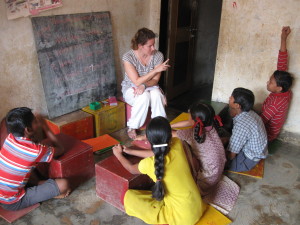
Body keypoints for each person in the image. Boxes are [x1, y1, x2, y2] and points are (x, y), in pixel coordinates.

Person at [112, 116, 206, 225]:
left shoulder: (148, 164)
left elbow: (131, 169)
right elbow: (160, 152)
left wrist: (118, 155)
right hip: (197, 206)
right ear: (169, 134)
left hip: (182, 219)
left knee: (127, 196)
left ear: (149, 140)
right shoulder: (178, 144)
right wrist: (129, 151)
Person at [171, 103, 239, 214]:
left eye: (189, 115)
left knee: (181, 148)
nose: (188, 116)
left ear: (194, 120)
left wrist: (166, 126)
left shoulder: (191, 133)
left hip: (204, 183)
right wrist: (171, 125)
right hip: (215, 175)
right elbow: (189, 122)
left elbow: (170, 134)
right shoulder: (211, 128)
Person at [0, 107, 71, 211]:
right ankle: (48, 193)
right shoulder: (35, 151)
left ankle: (38, 187)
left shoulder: (10, 138)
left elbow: (33, 145)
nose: (38, 123)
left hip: (4, 192)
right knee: (64, 185)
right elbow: (61, 149)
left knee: (29, 166)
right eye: (35, 122)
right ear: (28, 129)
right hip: (13, 202)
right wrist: (45, 126)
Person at [121, 28, 170, 139]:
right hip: (130, 87)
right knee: (143, 97)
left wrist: (144, 85)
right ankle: (132, 126)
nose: (153, 48)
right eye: (150, 46)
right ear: (140, 45)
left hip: (150, 86)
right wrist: (155, 71)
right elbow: (136, 81)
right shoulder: (128, 57)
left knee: (157, 95)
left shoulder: (158, 55)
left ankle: (159, 124)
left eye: (154, 44)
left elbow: (155, 80)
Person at [261, 26, 294, 142]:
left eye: (270, 82)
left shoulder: (276, 103)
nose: (267, 83)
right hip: (267, 127)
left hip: (266, 134)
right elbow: (282, 63)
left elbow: (262, 121)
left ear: (279, 88)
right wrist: (283, 38)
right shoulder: (285, 89)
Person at [227, 88, 268, 172]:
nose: (229, 98)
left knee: (219, 164)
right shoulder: (250, 113)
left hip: (249, 158)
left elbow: (231, 155)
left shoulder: (241, 125)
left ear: (237, 105)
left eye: (231, 97)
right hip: (259, 149)